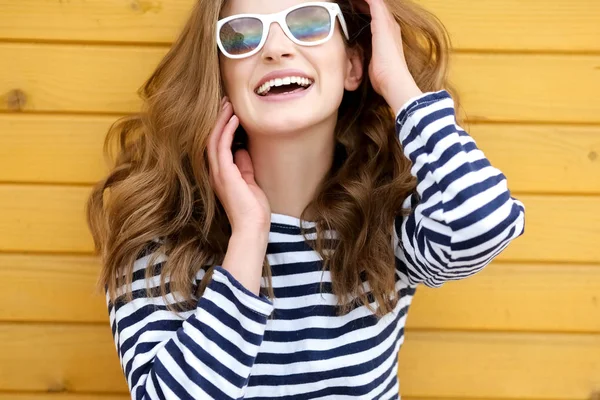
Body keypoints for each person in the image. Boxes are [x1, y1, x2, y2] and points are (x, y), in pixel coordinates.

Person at [85, 0, 526, 398]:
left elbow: (483, 223)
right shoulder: (158, 239)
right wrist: (248, 237)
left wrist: (400, 87)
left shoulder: (384, 226)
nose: (276, 49)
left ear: (355, 66)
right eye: (242, 34)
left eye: (309, 23)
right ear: (217, 76)